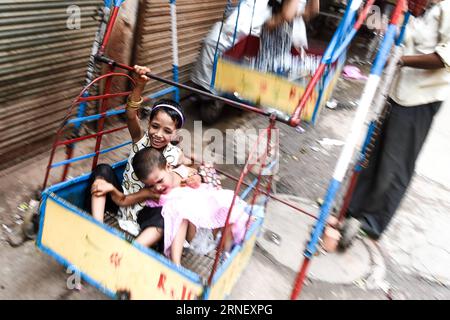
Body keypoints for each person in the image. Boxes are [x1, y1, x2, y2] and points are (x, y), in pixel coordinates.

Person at [339, 0, 450, 247]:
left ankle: (372, 221)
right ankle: (353, 208)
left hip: (422, 96)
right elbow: (404, 36)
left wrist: (401, 60)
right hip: (398, 90)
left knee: (396, 163)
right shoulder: (421, 11)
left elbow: (444, 58)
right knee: (375, 152)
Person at [86, 65, 200, 239]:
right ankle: (97, 227)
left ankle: (140, 245)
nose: (159, 135)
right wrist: (139, 85)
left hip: (144, 213)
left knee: (164, 214)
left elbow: (190, 168)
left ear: (176, 133)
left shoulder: (175, 155)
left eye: (167, 131)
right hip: (120, 199)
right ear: (149, 124)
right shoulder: (140, 138)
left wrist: (195, 171)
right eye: (155, 127)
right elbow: (131, 114)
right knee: (102, 170)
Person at [92, 147, 251, 266]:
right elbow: (124, 200)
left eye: (160, 181)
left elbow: (202, 173)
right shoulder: (151, 192)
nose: (158, 188)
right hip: (188, 231)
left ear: (168, 167)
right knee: (178, 209)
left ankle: (226, 252)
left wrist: (198, 177)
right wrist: (112, 189)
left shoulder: (184, 172)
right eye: (151, 185)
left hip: (205, 220)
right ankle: (175, 264)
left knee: (226, 203)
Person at [253, 0, 320, 75]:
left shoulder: (282, 20)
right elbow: (287, 14)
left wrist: (296, 13)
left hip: (277, 64)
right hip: (271, 66)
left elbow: (313, 11)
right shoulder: (272, 21)